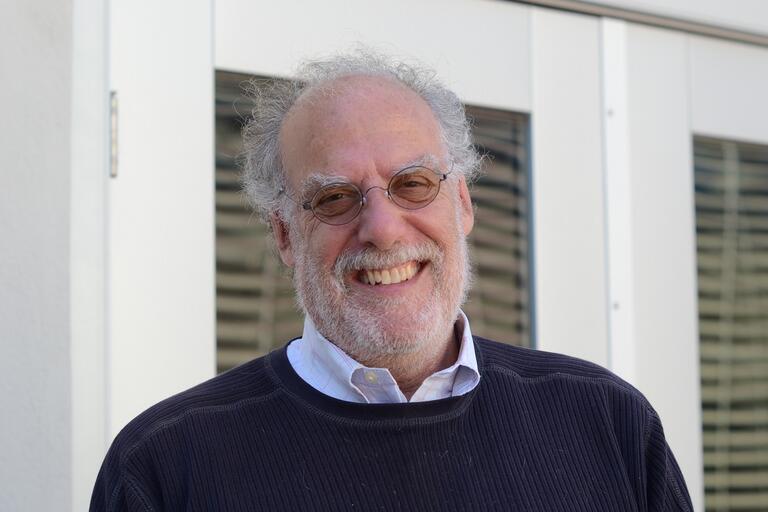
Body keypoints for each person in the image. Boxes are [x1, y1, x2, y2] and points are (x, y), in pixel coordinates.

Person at [91, 51, 693, 511]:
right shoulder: (166, 467)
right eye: (334, 197)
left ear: (461, 204)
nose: (381, 228)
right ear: (283, 236)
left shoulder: (607, 425)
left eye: (412, 184)